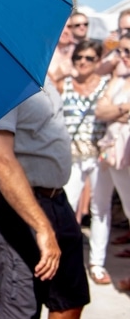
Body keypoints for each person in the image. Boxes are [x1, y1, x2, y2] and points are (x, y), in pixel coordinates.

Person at [0, 78, 90, 319]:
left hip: (55, 199)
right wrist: (42, 228)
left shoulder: (36, 72)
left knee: (69, 303)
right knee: (15, 312)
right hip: (17, 205)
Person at [89, 32, 130, 285]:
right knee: (99, 206)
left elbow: (107, 111)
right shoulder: (118, 78)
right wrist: (123, 110)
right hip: (108, 151)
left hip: (125, 153)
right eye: (120, 51)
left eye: (128, 52)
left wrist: (113, 112)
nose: (122, 56)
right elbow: (100, 111)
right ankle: (96, 263)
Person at [59, 39, 109, 221]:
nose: (82, 62)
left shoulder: (107, 85)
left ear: (98, 60)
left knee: (100, 208)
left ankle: (97, 244)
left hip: (100, 154)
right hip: (72, 154)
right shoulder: (64, 85)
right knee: (67, 204)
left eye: (89, 58)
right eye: (78, 57)